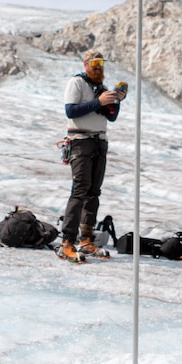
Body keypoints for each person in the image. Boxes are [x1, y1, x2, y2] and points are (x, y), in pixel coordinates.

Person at [57, 49, 127, 263]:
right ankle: (67, 242)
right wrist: (99, 102)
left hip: (99, 140)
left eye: (101, 63)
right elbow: (71, 111)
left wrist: (116, 100)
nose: (98, 66)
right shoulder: (77, 83)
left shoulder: (101, 88)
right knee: (80, 189)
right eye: (94, 62)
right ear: (85, 63)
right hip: (80, 141)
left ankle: (86, 239)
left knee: (93, 191)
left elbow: (111, 117)